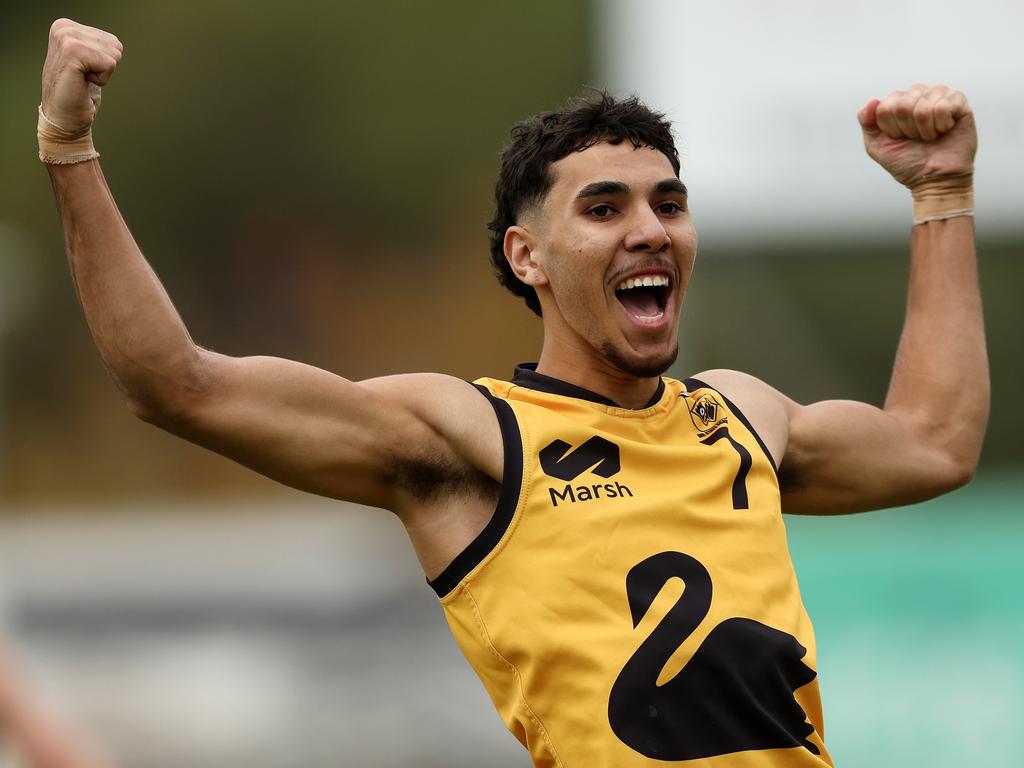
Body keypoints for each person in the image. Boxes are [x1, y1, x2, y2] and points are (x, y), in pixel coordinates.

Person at [37, 17, 987, 768]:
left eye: (670, 202)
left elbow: (933, 441)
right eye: (604, 208)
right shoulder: (471, 438)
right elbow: (177, 385)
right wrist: (69, 146)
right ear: (525, 255)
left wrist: (940, 194)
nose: (650, 228)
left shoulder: (741, 412)